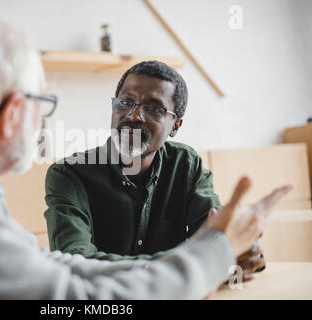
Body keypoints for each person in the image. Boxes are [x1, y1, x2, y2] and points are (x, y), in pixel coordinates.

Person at [0, 20, 290, 299]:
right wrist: (213, 254)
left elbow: (42, 263)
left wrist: (217, 250)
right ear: (14, 112)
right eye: (43, 102)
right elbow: (69, 301)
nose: (134, 116)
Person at [44, 61, 266, 280]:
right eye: (126, 102)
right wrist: (196, 264)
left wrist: (239, 248)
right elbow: (75, 263)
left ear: (175, 126)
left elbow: (218, 238)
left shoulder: (186, 165)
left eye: (153, 109)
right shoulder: (69, 174)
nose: (134, 116)